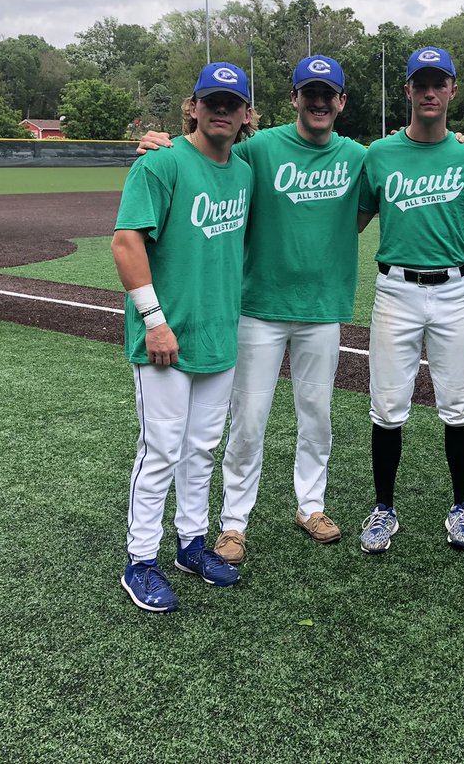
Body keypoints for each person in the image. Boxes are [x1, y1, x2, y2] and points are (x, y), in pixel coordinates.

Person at [139, 55, 365, 565]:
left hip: (321, 309)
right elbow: (204, 153)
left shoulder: (357, 156)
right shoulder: (259, 147)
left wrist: (459, 140)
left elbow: (399, 165)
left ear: (342, 102)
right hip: (258, 307)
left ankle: (311, 506)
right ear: (293, 99)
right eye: (310, 92)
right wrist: (160, 141)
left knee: (317, 416)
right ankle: (234, 523)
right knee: (248, 419)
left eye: (329, 93)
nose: (319, 101)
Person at [114, 62, 255, 612]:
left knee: (201, 450)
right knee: (161, 451)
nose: (221, 110)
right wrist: (154, 320)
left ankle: (191, 544)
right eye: (211, 101)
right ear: (192, 107)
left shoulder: (243, 171)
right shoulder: (162, 163)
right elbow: (127, 242)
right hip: (165, 338)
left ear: (246, 115)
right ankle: (140, 560)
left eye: (232, 103)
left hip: (219, 334)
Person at [354, 47, 464, 553]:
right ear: (408, 90)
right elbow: (351, 219)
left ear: (453, 90)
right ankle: (383, 509)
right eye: (422, 83)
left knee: (459, 405)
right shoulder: (379, 154)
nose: (431, 92)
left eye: (440, 83)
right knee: (388, 406)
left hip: (453, 291)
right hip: (394, 290)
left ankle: (462, 505)